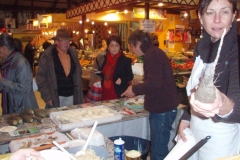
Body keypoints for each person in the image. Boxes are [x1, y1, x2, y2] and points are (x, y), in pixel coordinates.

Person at [177, 0, 240, 159]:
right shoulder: (201, 46)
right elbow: (195, 87)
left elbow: (237, 108)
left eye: (224, 12)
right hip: (195, 130)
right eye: (210, 12)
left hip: (221, 138)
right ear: (200, 16)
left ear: (233, 15)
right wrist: (188, 116)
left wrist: (222, 104)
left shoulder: (236, 49)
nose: (217, 19)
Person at [121, 30, 179, 160]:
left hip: (162, 110)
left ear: (139, 43)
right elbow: (157, 81)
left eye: (131, 45)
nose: (131, 49)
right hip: (165, 108)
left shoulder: (151, 55)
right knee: (160, 147)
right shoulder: (155, 52)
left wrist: (134, 89)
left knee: (158, 151)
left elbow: (154, 83)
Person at [36, 29, 84, 108]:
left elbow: (78, 74)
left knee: (71, 118)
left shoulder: (73, 55)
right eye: (64, 41)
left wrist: (79, 94)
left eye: (68, 41)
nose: (67, 43)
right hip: (55, 97)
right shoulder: (47, 57)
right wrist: (47, 98)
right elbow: (41, 79)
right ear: (56, 42)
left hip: (72, 96)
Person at [0, 33, 38, 114]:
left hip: (23, 108)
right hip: (12, 105)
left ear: (3, 48)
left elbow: (24, 89)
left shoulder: (21, 63)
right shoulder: (7, 61)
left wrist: (2, 80)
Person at [89, 34, 133, 101]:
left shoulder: (125, 60)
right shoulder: (103, 58)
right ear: (108, 47)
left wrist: (122, 79)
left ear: (120, 47)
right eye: (112, 45)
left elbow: (130, 76)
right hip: (104, 92)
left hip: (118, 93)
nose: (114, 48)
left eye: (117, 45)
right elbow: (100, 73)